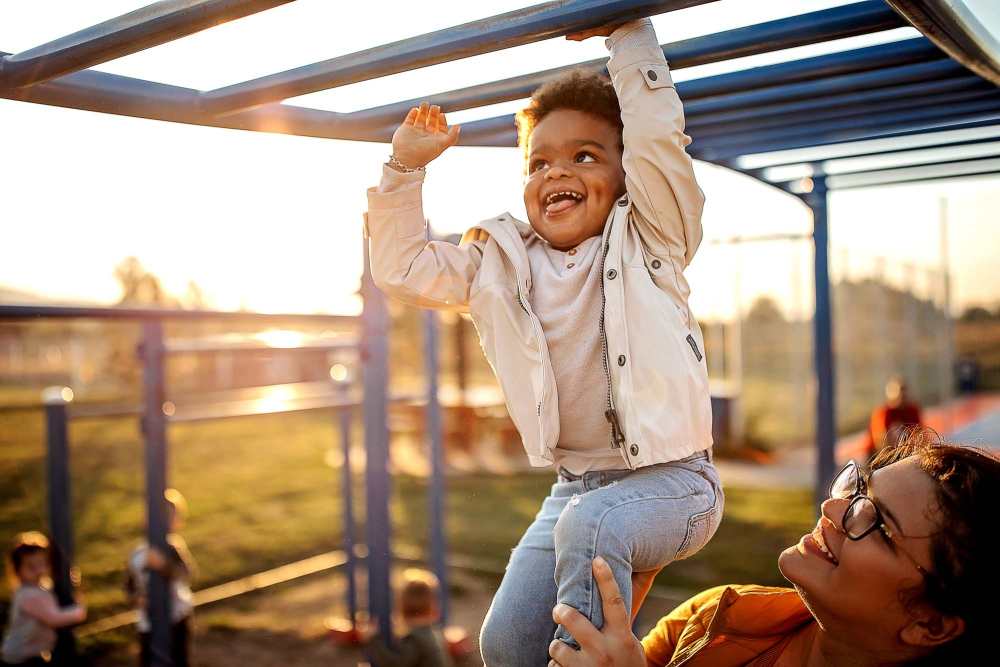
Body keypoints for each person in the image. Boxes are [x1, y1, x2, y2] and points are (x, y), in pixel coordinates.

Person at [366, 17, 721, 665]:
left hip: (677, 483)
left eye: (585, 155)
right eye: (540, 161)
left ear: (624, 174)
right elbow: (403, 269)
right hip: (575, 485)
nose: (558, 171)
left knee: (591, 531)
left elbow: (657, 139)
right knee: (503, 644)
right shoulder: (499, 262)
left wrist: (628, 35)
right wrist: (402, 169)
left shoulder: (650, 239)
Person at [548, 427, 1000, 666]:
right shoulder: (718, 617)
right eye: (858, 489)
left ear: (932, 625)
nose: (833, 509)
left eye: (877, 524)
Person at [125, 489, 196, 667]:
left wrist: (164, 566)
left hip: (176, 617)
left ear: (177, 522)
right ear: (146, 519)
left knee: (177, 659)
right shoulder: (138, 553)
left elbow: (186, 574)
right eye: (160, 517)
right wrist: (137, 599)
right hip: (148, 621)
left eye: (171, 517)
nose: (166, 522)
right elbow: (129, 585)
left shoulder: (174, 547)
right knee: (148, 659)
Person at [1, 532, 86, 666]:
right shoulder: (28, 595)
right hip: (20, 659)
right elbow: (54, 619)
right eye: (31, 567)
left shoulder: (39, 588)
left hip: (35, 654)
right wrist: (79, 612)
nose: (39, 570)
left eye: (42, 563)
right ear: (17, 570)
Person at [361, 569, 453, 667]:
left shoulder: (414, 639)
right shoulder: (430, 633)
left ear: (402, 607)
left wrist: (373, 640)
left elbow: (395, 664)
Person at [863, 376, 923, 458]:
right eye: (899, 392)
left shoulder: (913, 410)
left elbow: (920, 435)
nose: (902, 396)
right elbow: (881, 442)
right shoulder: (883, 412)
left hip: (903, 453)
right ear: (890, 394)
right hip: (877, 455)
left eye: (904, 392)